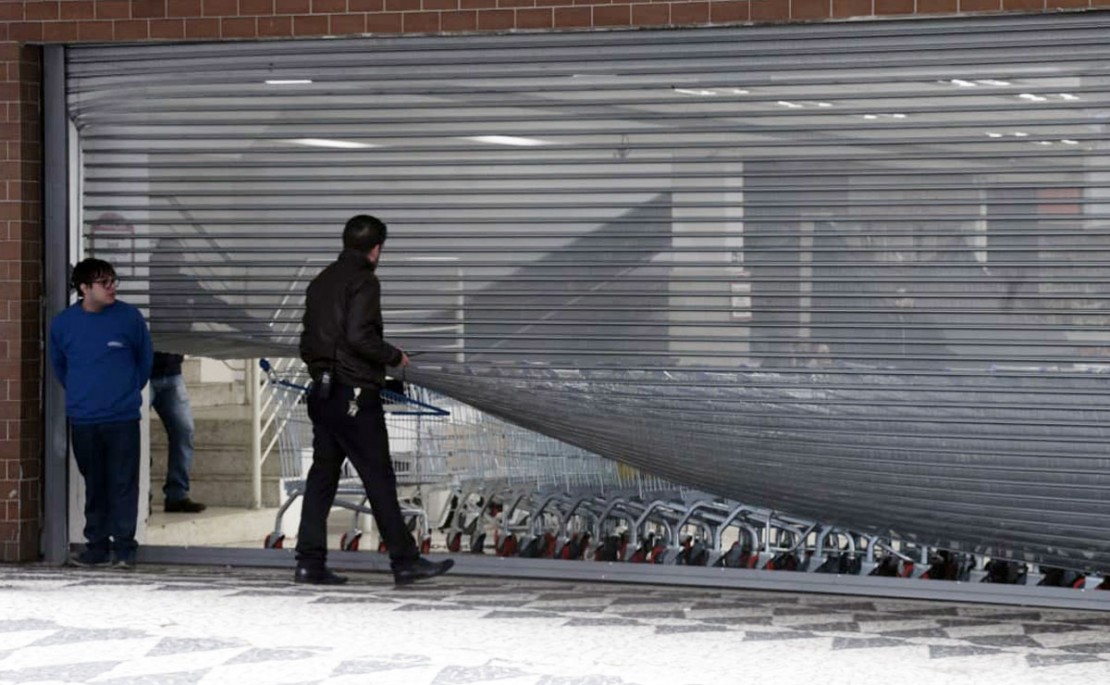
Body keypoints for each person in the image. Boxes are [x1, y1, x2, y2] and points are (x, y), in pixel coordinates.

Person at [297, 214, 454, 586]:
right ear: (376, 249)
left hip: (323, 392)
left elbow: (307, 340)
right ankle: (405, 561)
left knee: (322, 478)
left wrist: (322, 370)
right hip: (354, 393)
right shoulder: (364, 281)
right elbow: (358, 336)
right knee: (379, 477)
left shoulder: (320, 281)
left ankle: (309, 562)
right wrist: (393, 356)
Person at [49, 258, 153, 569]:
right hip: (84, 418)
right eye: (104, 282)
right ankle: (96, 546)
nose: (112, 287)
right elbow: (60, 367)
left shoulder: (129, 318)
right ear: (84, 288)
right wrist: (83, 395)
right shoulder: (64, 324)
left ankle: (124, 549)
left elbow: (144, 361)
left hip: (121, 417)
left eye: (113, 280)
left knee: (123, 483)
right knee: (94, 484)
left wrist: (126, 392)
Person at [150, 352, 207, 513]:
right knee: (137, 436)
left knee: (184, 431)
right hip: (141, 372)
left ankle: (177, 495)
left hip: (172, 372)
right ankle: (142, 497)